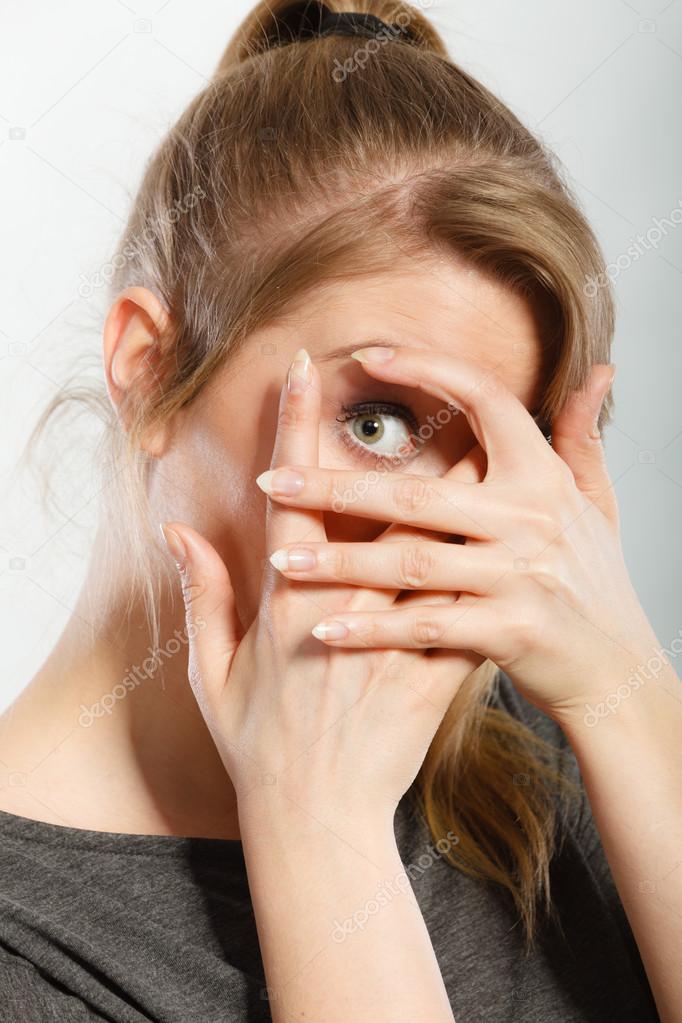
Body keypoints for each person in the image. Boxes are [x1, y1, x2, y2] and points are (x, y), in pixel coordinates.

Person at [0, 2, 679, 1020]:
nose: (452, 532)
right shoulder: (28, 950)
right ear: (148, 372)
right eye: (377, 424)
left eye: (509, 443)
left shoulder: (553, 755)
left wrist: (624, 691)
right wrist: (317, 825)